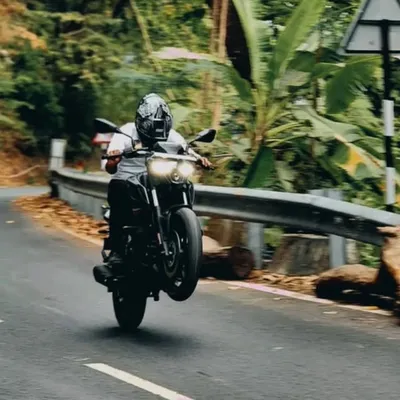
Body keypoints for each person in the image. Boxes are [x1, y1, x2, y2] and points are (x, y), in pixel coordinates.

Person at [104, 93, 211, 267]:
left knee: (182, 184)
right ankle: (116, 250)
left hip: (157, 177)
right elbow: (109, 168)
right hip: (128, 179)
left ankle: (184, 236)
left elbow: (186, 150)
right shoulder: (125, 132)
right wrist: (113, 160)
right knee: (118, 188)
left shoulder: (171, 135)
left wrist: (200, 159)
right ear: (141, 123)